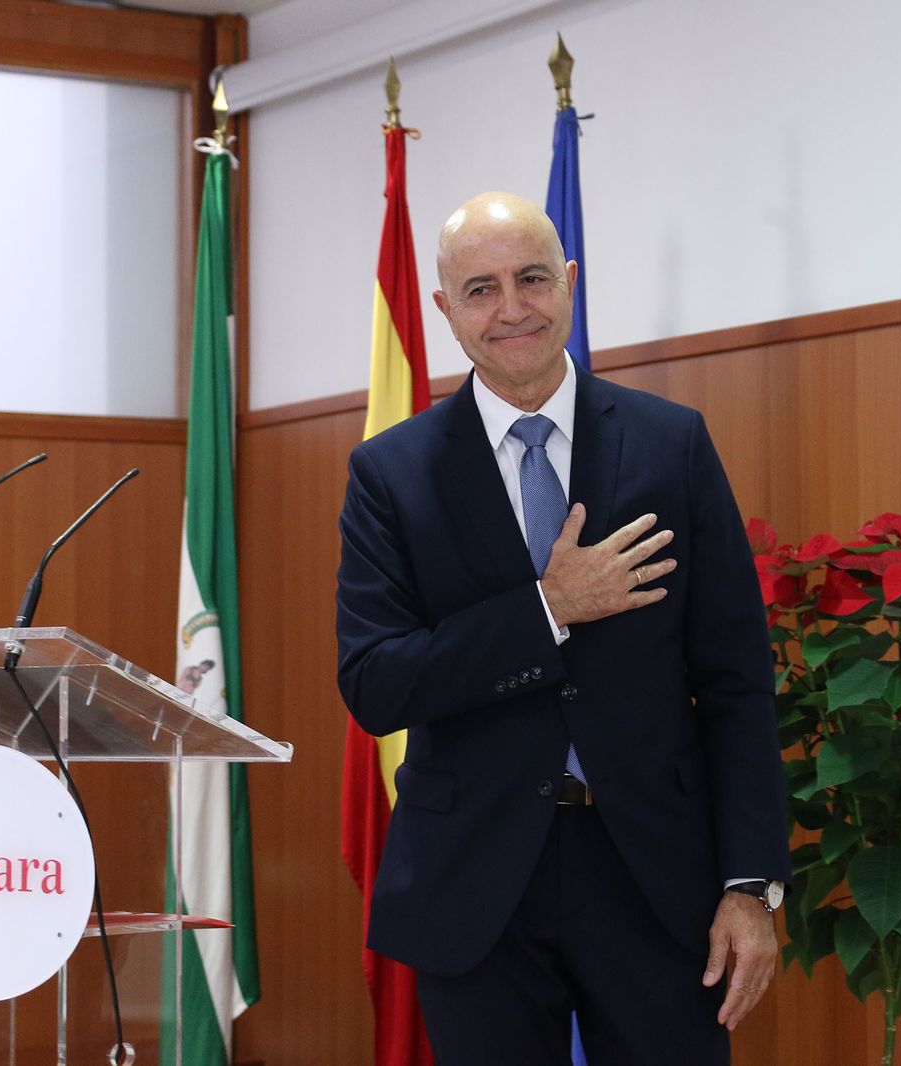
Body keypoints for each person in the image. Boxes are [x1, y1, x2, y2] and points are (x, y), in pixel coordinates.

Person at [335, 191, 790, 1065]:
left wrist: (751, 885)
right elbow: (376, 684)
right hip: (475, 886)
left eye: (532, 278)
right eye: (481, 288)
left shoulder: (672, 444)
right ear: (444, 309)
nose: (512, 308)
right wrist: (547, 609)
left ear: (569, 283)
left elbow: (736, 682)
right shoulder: (391, 475)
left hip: (658, 879)